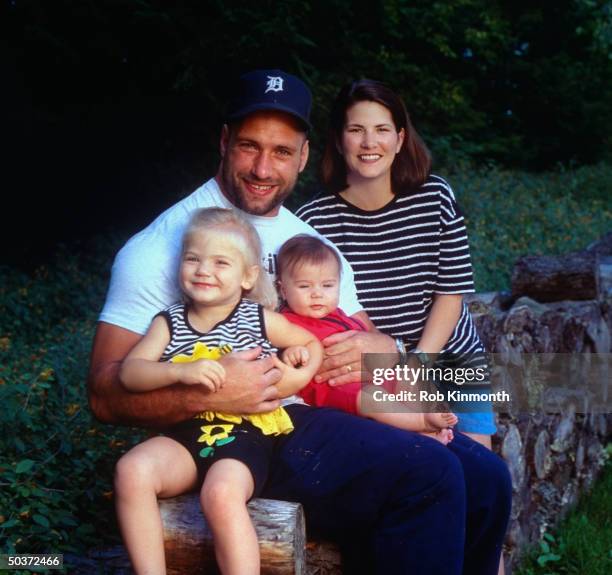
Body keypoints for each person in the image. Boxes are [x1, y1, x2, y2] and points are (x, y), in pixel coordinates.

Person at [88, 69, 511, 574]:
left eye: (282, 152)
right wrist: (213, 393)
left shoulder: (311, 242)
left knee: (487, 476)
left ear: (304, 156)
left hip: (321, 411)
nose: (264, 168)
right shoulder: (164, 246)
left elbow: (362, 343)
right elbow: (103, 394)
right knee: (428, 474)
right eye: (249, 146)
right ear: (224, 142)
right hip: (238, 438)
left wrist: (389, 372)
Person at [295, 78, 509, 569]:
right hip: (375, 377)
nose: (369, 143)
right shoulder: (315, 219)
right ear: (338, 139)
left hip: (451, 360)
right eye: (356, 130)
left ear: (400, 136)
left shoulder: (434, 196)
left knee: (481, 491)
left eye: (381, 129)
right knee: (431, 498)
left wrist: (415, 363)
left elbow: (451, 295)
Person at [114, 207, 323, 575]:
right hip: (184, 436)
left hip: (245, 436)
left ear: (247, 276)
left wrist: (294, 371)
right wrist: (180, 371)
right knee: (131, 470)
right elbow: (131, 373)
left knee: (221, 495)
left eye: (220, 263)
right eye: (193, 258)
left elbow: (310, 342)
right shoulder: (170, 321)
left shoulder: (254, 316)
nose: (203, 270)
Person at [277, 233, 457, 444]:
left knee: (408, 375)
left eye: (327, 286)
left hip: (366, 375)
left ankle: (431, 421)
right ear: (283, 289)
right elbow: (282, 351)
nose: (317, 294)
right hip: (332, 387)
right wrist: (291, 354)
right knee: (371, 397)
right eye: (305, 286)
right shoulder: (286, 322)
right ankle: (421, 423)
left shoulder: (339, 315)